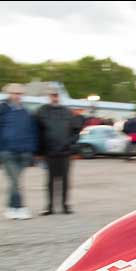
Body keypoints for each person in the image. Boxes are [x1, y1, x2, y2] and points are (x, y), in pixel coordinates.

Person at [0, 83, 38, 220]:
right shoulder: (1, 109)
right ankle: (20, 207)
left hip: (23, 151)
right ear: (9, 94)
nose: (17, 96)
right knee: (16, 181)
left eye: (19, 93)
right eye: (14, 93)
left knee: (14, 181)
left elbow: (32, 130)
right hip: (8, 151)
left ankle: (11, 208)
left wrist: (31, 148)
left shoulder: (25, 111)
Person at [36, 85, 79, 215]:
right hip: (49, 152)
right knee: (50, 181)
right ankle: (49, 206)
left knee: (65, 180)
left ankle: (65, 205)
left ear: (59, 96)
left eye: (56, 95)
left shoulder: (67, 112)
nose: (54, 98)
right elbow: (38, 132)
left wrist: (71, 145)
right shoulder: (42, 111)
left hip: (65, 152)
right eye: (52, 95)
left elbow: (75, 131)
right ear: (48, 97)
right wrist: (39, 151)